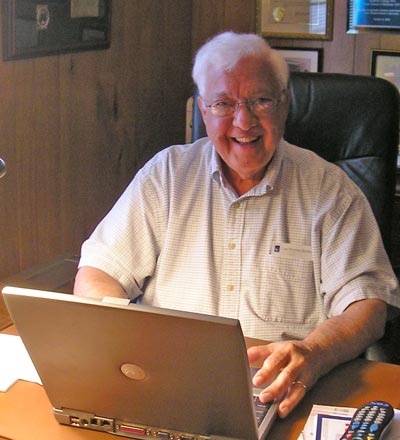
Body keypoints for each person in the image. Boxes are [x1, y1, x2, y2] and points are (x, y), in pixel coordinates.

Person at [74, 31, 400, 418]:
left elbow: (368, 305)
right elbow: (97, 273)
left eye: (260, 100)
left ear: (284, 104)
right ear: (203, 110)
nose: (244, 122)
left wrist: (313, 353)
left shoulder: (331, 192)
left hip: (282, 393)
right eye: (224, 103)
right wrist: (129, 347)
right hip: (167, 387)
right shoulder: (166, 176)